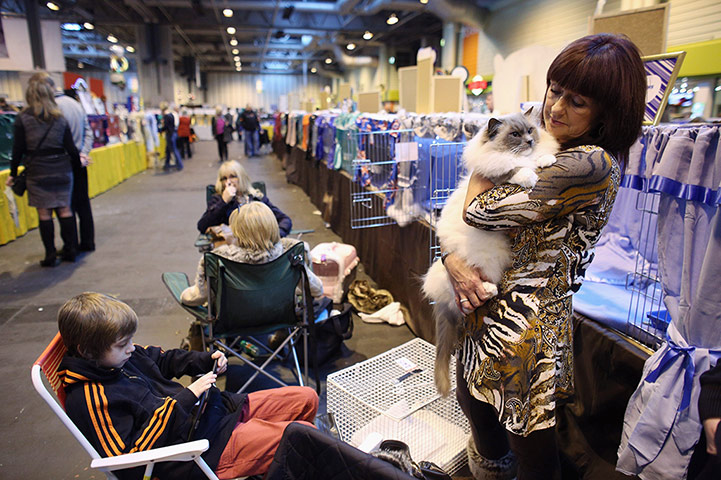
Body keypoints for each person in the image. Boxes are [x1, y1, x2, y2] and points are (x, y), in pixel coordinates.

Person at [440, 33, 646, 480]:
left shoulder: (590, 164)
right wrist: (449, 258)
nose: (554, 108)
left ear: (606, 114)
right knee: (479, 423)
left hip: (526, 336)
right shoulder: (544, 135)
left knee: (531, 451)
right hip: (481, 310)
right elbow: (459, 220)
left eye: (578, 102)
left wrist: (483, 159)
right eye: (555, 90)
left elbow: (477, 211)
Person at [56, 292, 318, 480]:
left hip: (212, 414)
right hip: (194, 452)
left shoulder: (120, 357)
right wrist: (185, 399)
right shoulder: (89, 399)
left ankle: (276, 466)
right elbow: (128, 460)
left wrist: (204, 360)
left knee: (307, 398)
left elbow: (163, 359)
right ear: (87, 350)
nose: (132, 348)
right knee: (303, 436)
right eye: (123, 343)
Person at [6, 73, 82, 266]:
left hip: (37, 171)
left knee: (44, 213)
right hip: (62, 170)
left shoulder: (23, 119)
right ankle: (70, 249)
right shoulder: (60, 119)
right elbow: (71, 149)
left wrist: (13, 174)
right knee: (65, 210)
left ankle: (50, 255)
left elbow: (18, 150)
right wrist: (75, 168)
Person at [182, 201, 322, 306]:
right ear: (273, 226)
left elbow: (199, 297)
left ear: (238, 232)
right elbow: (316, 291)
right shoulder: (291, 253)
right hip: (279, 316)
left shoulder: (219, 258)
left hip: (234, 320)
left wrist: (183, 295)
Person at [36, 73, 96, 253]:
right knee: (83, 205)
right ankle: (87, 242)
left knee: (64, 207)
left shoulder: (51, 109)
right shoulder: (75, 104)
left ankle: (71, 246)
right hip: (79, 162)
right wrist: (83, 154)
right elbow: (88, 132)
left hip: (61, 164)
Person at [197, 160, 292, 236]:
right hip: (232, 250)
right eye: (224, 179)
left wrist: (275, 236)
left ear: (241, 177)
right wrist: (224, 202)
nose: (228, 182)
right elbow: (202, 226)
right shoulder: (217, 200)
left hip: (259, 247)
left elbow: (284, 220)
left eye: (233, 177)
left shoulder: (256, 197)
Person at [159, 101, 182, 171]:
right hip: (173, 133)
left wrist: (160, 130)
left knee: (174, 150)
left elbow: (166, 126)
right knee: (168, 150)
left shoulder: (166, 116)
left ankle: (179, 165)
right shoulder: (171, 115)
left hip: (170, 134)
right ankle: (167, 164)